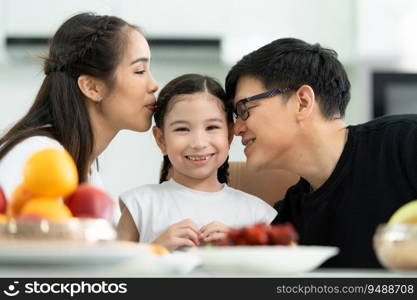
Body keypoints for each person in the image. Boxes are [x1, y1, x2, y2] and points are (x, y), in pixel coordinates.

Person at [225, 37, 417, 268]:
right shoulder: (292, 216)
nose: (236, 129)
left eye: (244, 109)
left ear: (303, 102)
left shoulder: (406, 142)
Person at [0, 13, 158, 199]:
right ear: (92, 87)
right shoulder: (37, 156)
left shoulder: (86, 170)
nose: (154, 85)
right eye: (139, 71)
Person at [117, 74, 277, 251]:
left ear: (230, 135)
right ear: (161, 140)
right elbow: (110, 274)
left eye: (212, 127)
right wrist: (155, 249)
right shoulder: (139, 205)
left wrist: (240, 247)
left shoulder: (257, 215)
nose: (199, 143)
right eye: (182, 129)